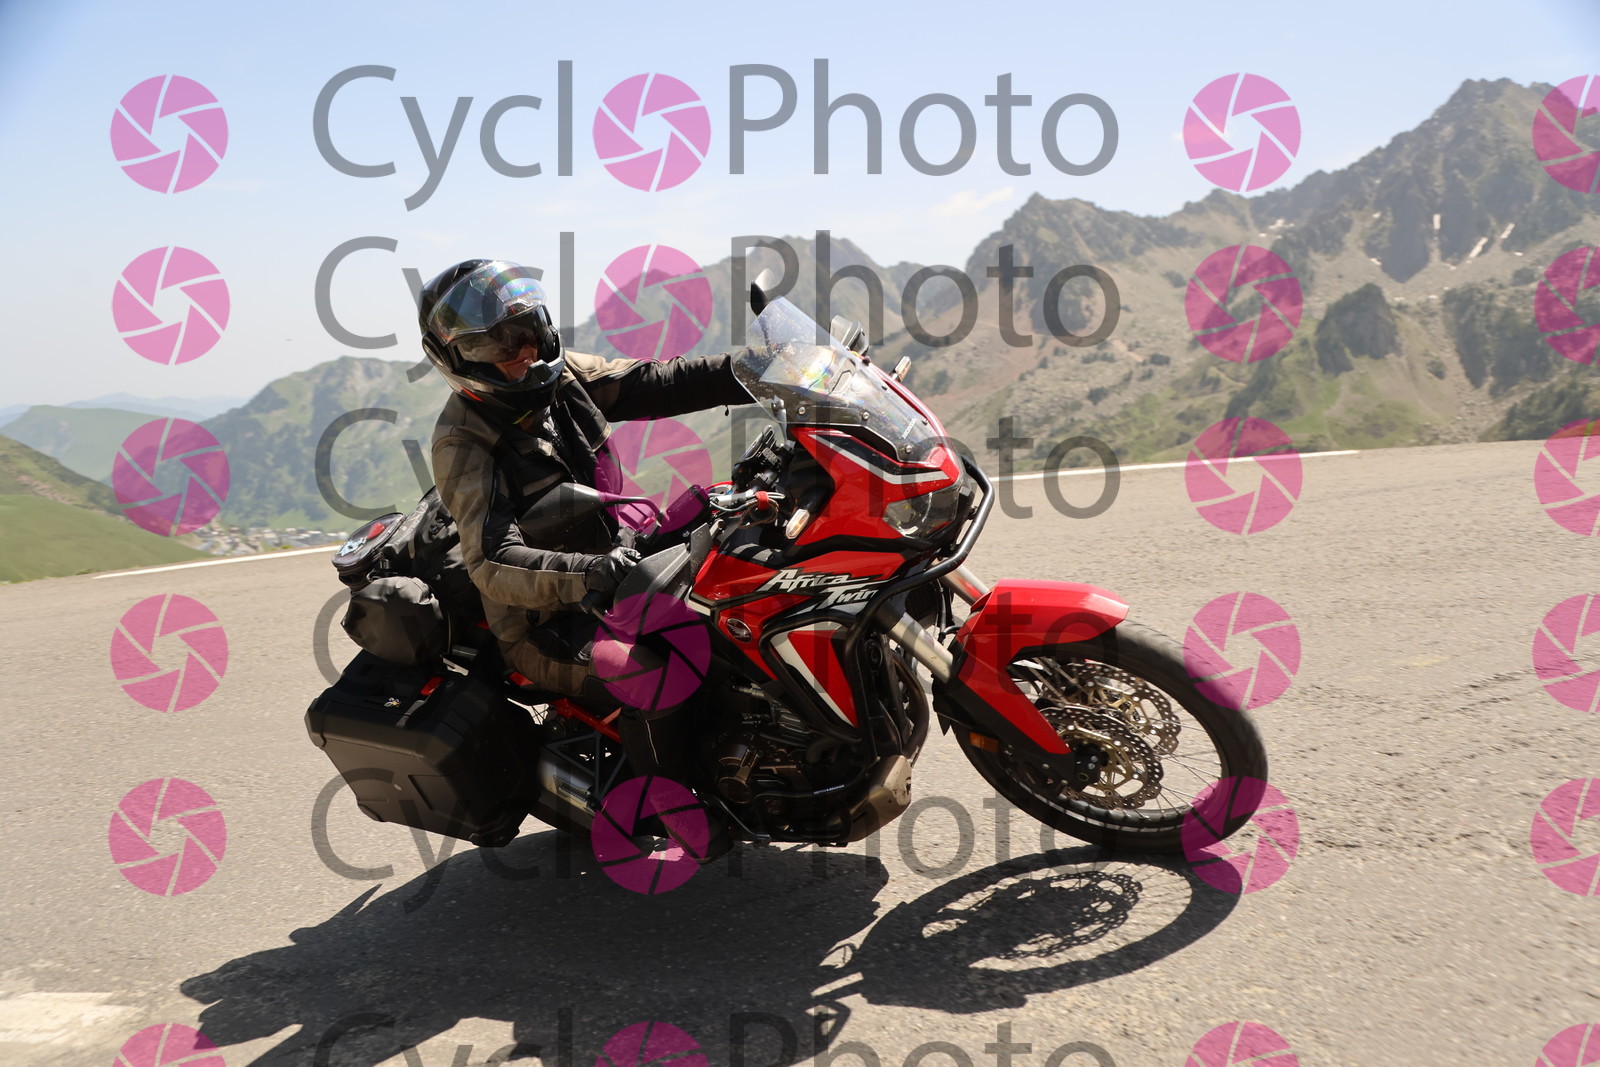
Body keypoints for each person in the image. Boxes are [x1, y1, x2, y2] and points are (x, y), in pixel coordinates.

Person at [418, 258, 753, 811]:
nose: (524, 349)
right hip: (548, 620)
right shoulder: (463, 442)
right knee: (652, 673)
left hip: (621, 561)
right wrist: (590, 573)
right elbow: (491, 560)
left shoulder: (563, 374)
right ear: (458, 358)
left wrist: (758, 370)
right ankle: (678, 809)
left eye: (528, 329)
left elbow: (656, 382)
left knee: (739, 552)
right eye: (499, 342)